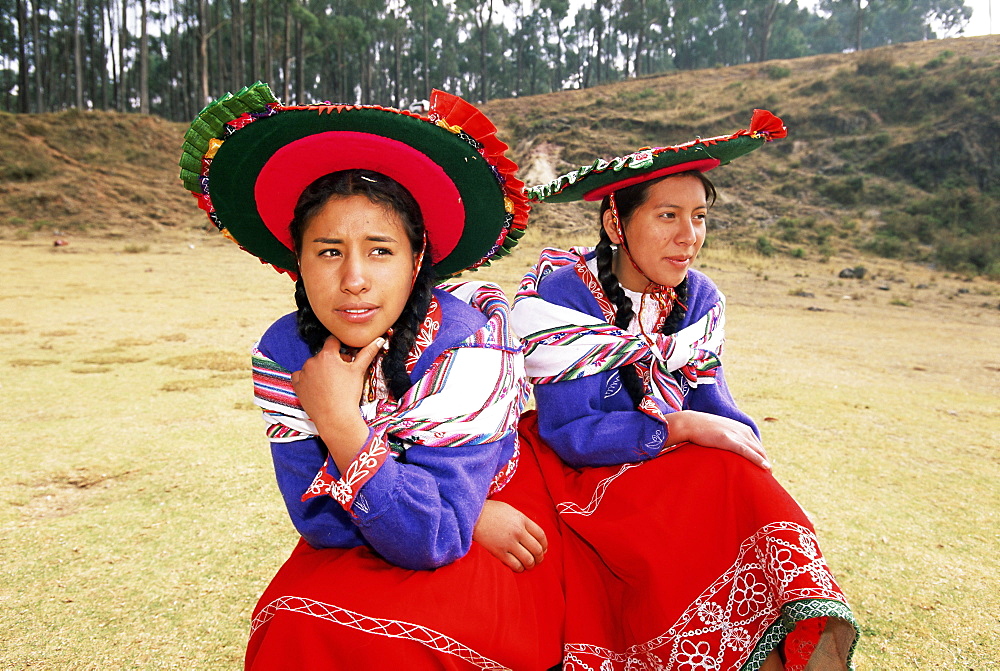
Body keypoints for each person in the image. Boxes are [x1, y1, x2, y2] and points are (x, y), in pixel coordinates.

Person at [180, 83, 563, 670]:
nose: (353, 278)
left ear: (418, 262)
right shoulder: (287, 350)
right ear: (297, 263)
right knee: (292, 630)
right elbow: (320, 523)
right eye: (329, 251)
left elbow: (433, 538)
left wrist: (339, 423)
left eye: (380, 251)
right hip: (401, 521)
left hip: (500, 507)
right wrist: (434, 505)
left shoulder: (469, 342)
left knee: (412, 645)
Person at [511, 110, 858, 670]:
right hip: (581, 467)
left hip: (668, 458)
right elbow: (571, 431)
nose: (688, 236)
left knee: (744, 482)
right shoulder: (562, 296)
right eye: (668, 215)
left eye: (698, 217)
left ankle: (795, 652)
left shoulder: (699, 298)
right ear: (615, 225)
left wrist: (734, 437)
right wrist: (682, 426)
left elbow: (712, 400)